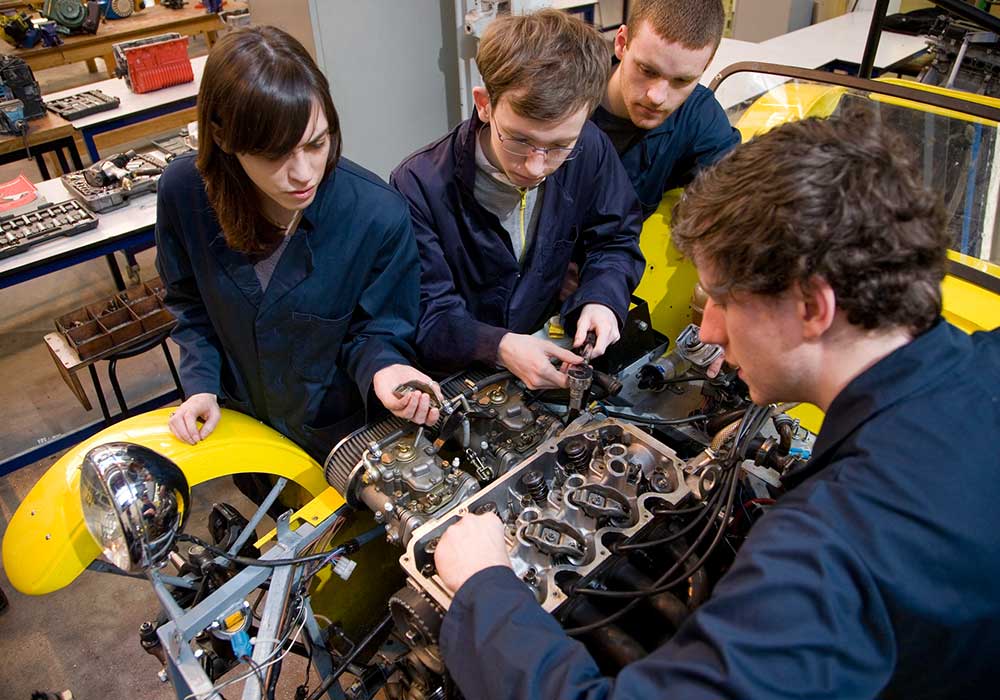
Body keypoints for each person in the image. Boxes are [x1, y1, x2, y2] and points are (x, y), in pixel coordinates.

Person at [432, 109, 1000, 698]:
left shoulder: (829, 552)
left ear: (813, 307)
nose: (707, 331)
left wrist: (485, 587)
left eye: (723, 300)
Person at [156, 26, 440, 464]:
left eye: (316, 143)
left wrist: (386, 367)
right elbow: (190, 304)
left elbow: (378, 329)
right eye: (275, 154)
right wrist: (202, 384)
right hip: (244, 425)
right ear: (223, 137)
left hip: (336, 439)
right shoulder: (184, 193)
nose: (304, 173)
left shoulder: (377, 215)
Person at [391, 10, 645, 390]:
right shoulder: (418, 185)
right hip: (461, 374)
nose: (536, 167)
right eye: (519, 139)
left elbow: (616, 239)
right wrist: (500, 346)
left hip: (544, 346)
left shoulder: (590, 148)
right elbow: (429, 312)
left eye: (559, 146)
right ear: (484, 104)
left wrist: (603, 298)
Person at [593, 0, 740, 218]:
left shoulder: (699, 117)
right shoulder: (565, 92)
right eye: (647, 70)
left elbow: (737, 199)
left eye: (682, 80)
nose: (657, 97)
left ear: (706, 65)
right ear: (622, 43)